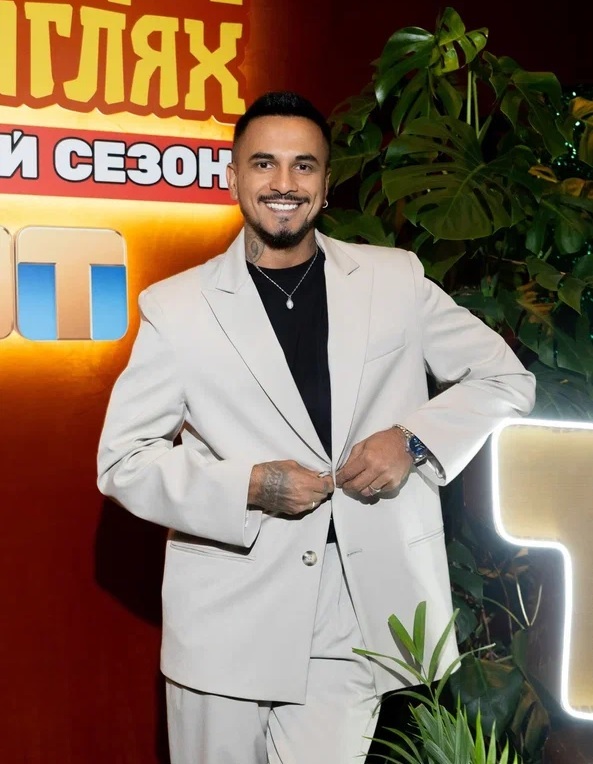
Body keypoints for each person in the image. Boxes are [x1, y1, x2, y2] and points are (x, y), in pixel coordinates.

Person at [97, 91, 536, 764]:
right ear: (233, 177)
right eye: (264, 164)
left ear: (326, 184)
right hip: (226, 612)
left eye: (303, 166)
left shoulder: (393, 280)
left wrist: (412, 439)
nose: (284, 183)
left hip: (356, 606)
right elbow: (123, 460)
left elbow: (505, 379)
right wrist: (250, 485)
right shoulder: (177, 307)